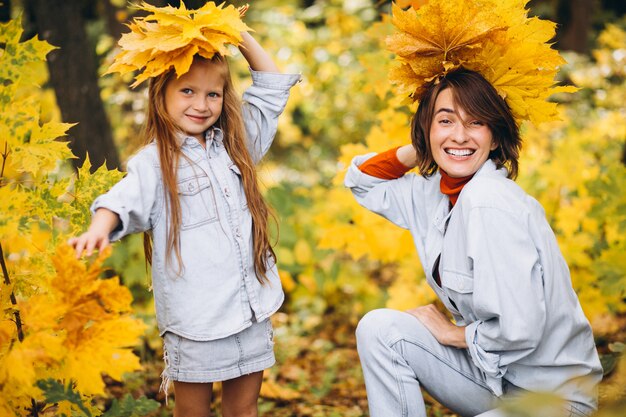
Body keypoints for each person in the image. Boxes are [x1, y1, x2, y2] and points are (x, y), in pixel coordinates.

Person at [69, 22, 300, 417]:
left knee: (243, 409)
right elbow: (122, 199)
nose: (202, 104)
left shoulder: (237, 146)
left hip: (249, 310)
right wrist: (99, 227)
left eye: (213, 93)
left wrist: (235, 32)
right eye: (187, 91)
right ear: (161, 95)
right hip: (197, 322)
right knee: (192, 413)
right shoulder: (156, 163)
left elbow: (272, 85)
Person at [344, 69, 603, 417]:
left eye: (476, 123)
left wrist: (452, 334)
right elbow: (363, 183)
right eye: (446, 120)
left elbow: (520, 328)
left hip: (551, 400)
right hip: (494, 380)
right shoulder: (437, 191)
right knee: (379, 329)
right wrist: (424, 146)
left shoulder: (489, 202)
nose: (460, 135)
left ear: (495, 138)